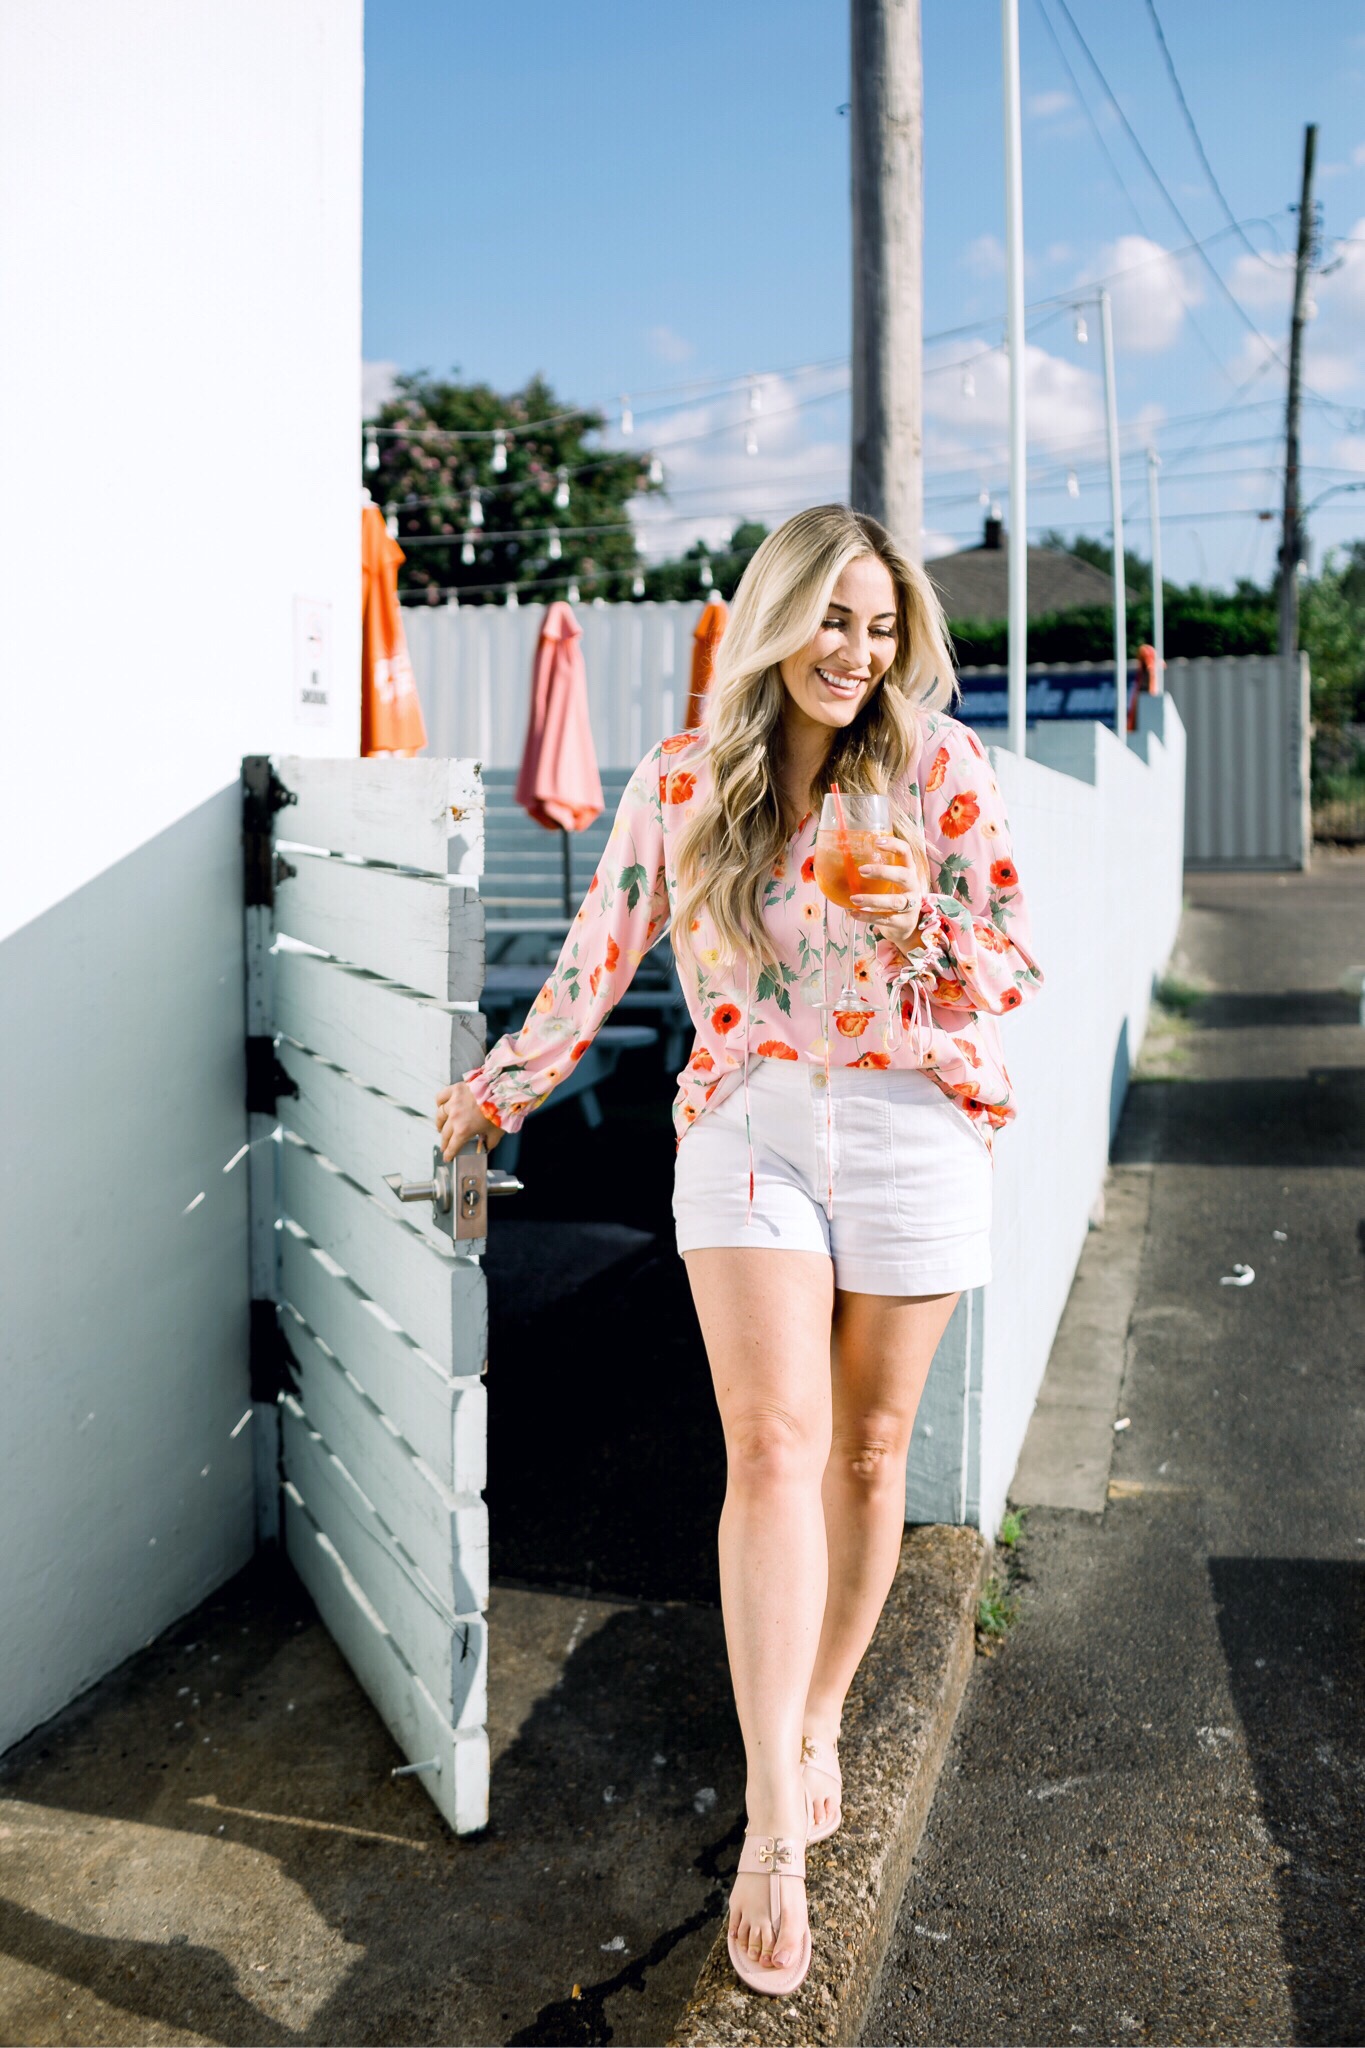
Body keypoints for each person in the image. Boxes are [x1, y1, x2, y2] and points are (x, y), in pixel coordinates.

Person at [435, 504, 1043, 1998]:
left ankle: (823, 1710)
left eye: (881, 624)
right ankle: (777, 1806)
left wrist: (922, 928)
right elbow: (600, 955)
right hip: (751, 1122)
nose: (856, 650)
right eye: (832, 618)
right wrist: (497, 1091)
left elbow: (1010, 967)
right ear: (776, 619)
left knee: (869, 1452)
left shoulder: (936, 770)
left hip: (913, 1116)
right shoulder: (683, 781)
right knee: (772, 1447)